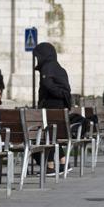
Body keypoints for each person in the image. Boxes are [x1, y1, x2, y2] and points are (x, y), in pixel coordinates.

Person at [33, 42, 72, 175]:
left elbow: (47, 84)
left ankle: (50, 166)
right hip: (60, 107)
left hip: (51, 106)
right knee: (53, 134)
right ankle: (63, 162)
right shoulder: (58, 68)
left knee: (47, 134)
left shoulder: (48, 67)